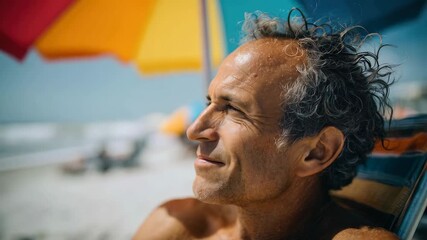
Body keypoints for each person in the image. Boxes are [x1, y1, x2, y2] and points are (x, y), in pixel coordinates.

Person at [134, 9, 399, 240]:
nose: (194, 130)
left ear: (316, 151)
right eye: (209, 103)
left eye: (234, 108)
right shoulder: (176, 225)